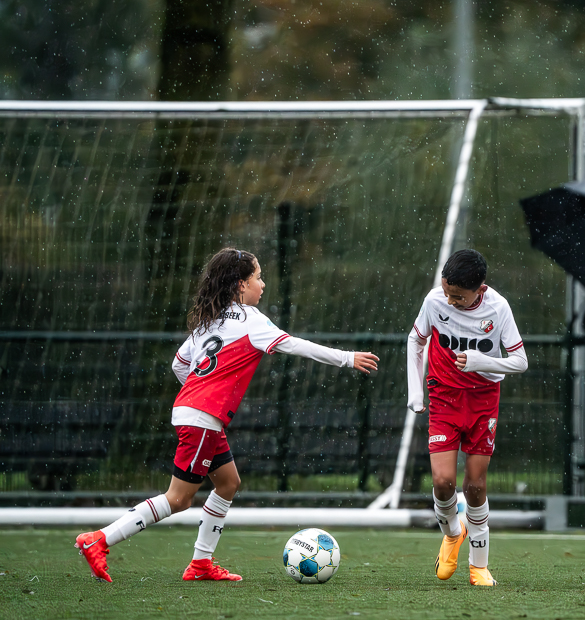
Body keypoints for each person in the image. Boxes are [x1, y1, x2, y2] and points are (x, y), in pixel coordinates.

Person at [75, 247, 379, 583]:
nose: (262, 285)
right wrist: (347, 358)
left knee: (228, 483)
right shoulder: (252, 321)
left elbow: (179, 363)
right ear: (239, 284)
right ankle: (100, 539)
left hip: (196, 413)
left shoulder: (211, 320)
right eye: (258, 277)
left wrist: (199, 391)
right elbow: (294, 345)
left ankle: (201, 564)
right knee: (178, 499)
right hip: (202, 417)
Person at [406, 249, 528, 587]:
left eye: (458, 296)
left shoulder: (498, 309)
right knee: (443, 482)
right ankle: (451, 534)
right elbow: (415, 341)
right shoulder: (435, 301)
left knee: (474, 485)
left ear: (480, 289)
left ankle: (479, 565)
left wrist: (481, 361)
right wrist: (415, 392)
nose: (450, 300)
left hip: (483, 401)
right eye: (447, 291)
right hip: (444, 396)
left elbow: (520, 362)